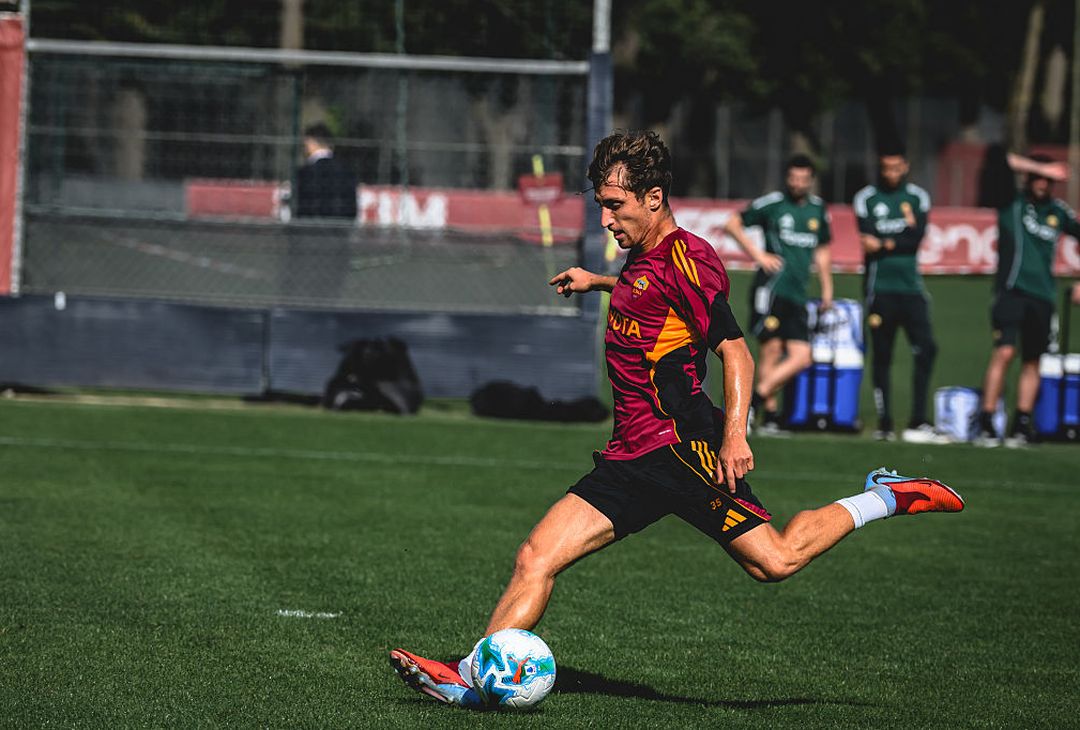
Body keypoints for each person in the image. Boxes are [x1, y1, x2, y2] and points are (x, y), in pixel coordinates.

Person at [388, 131, 964, 708]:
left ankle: (887, 496)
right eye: (603, 206)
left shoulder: (691, 257)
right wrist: (600, 281)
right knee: (536, 557)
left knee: (776, 561)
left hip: (683, 450)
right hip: (630, 455)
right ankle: (470, 676)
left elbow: (735, 350)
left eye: (617, 206)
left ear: (655, 198)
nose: (608, 219)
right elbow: (650, 290)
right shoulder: (642, 260)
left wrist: (735, 433)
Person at [975, 153, 1080, 447]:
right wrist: (1042, 166)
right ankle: (986, 421)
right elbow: (999, 160)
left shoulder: (1058, 211)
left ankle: (1021, 422)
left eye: (1049, 180)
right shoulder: (1013, 202)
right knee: (1005, 352)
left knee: (1033, 360)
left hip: (1042, 297)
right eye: (1039, 178)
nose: (1043, 183)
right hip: (1011, 291)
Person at [724, 155, 833, 434]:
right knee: (770, 350)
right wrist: (758, 254)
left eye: (803, 179)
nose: (797, 183)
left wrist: (827, 288)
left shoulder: (818, 210)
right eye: (793, 178)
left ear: (811, 180)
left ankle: (752, 402)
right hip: (771, 289)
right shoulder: (773, 204)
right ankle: (770, 416)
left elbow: (821, 250)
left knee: (802, 356)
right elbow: (733, 223)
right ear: (787, 178)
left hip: (798, 292)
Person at [853, 147, 941, 443]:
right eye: (886, 168)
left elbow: (916, 239)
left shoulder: (917, 197)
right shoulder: (867, 198)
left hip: (912, 289)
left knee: (927, 349)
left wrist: (886, 243)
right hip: (880, 291)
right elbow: (867, 241)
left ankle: (918, 419)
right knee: (882, 355)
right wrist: (897, 239)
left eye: (896, 168)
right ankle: (885, 421)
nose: (891, 174)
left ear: (905, 166)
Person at [293, 123, 358, 219]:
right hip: (340, 229)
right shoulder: (346, 171)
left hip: (310, 230)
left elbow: (299, 207)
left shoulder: (305, 173)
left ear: (311, 142)